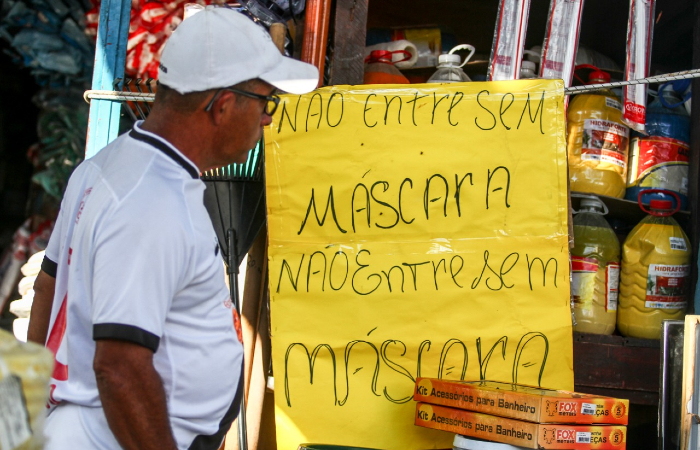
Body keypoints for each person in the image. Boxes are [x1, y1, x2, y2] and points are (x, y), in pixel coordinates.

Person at [26, 6, 318, 450]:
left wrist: (36, 405)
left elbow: (48, 289)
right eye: (265, 101)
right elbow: (120, 367)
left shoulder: (108, 166)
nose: (267, 118)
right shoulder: (152, 201)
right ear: (222, 106)